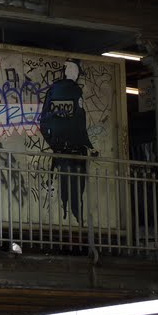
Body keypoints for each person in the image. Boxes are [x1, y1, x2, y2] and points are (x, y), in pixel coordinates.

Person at [38, 60, 94, 224]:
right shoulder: (76, 92)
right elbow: (79, 120)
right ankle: (76, 218)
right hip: (76, 151)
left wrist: (53, 142)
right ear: (73, 71)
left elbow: (44, 121)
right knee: (77, 186)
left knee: (64, 184)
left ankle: (64, 215)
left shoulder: (52, 91)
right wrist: (87, 145)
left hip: (60, 149)